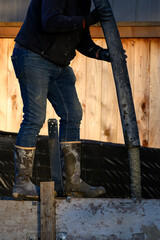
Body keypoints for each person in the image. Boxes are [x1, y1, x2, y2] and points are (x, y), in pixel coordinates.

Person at [11, 0, 112, 200]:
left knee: (73, 113)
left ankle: (72, 182)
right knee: (34, 116)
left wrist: (101, 53)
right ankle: (22, 183)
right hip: (33, 56)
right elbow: (51, 21)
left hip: (59, 64)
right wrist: (89, 19)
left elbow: (81, 39)